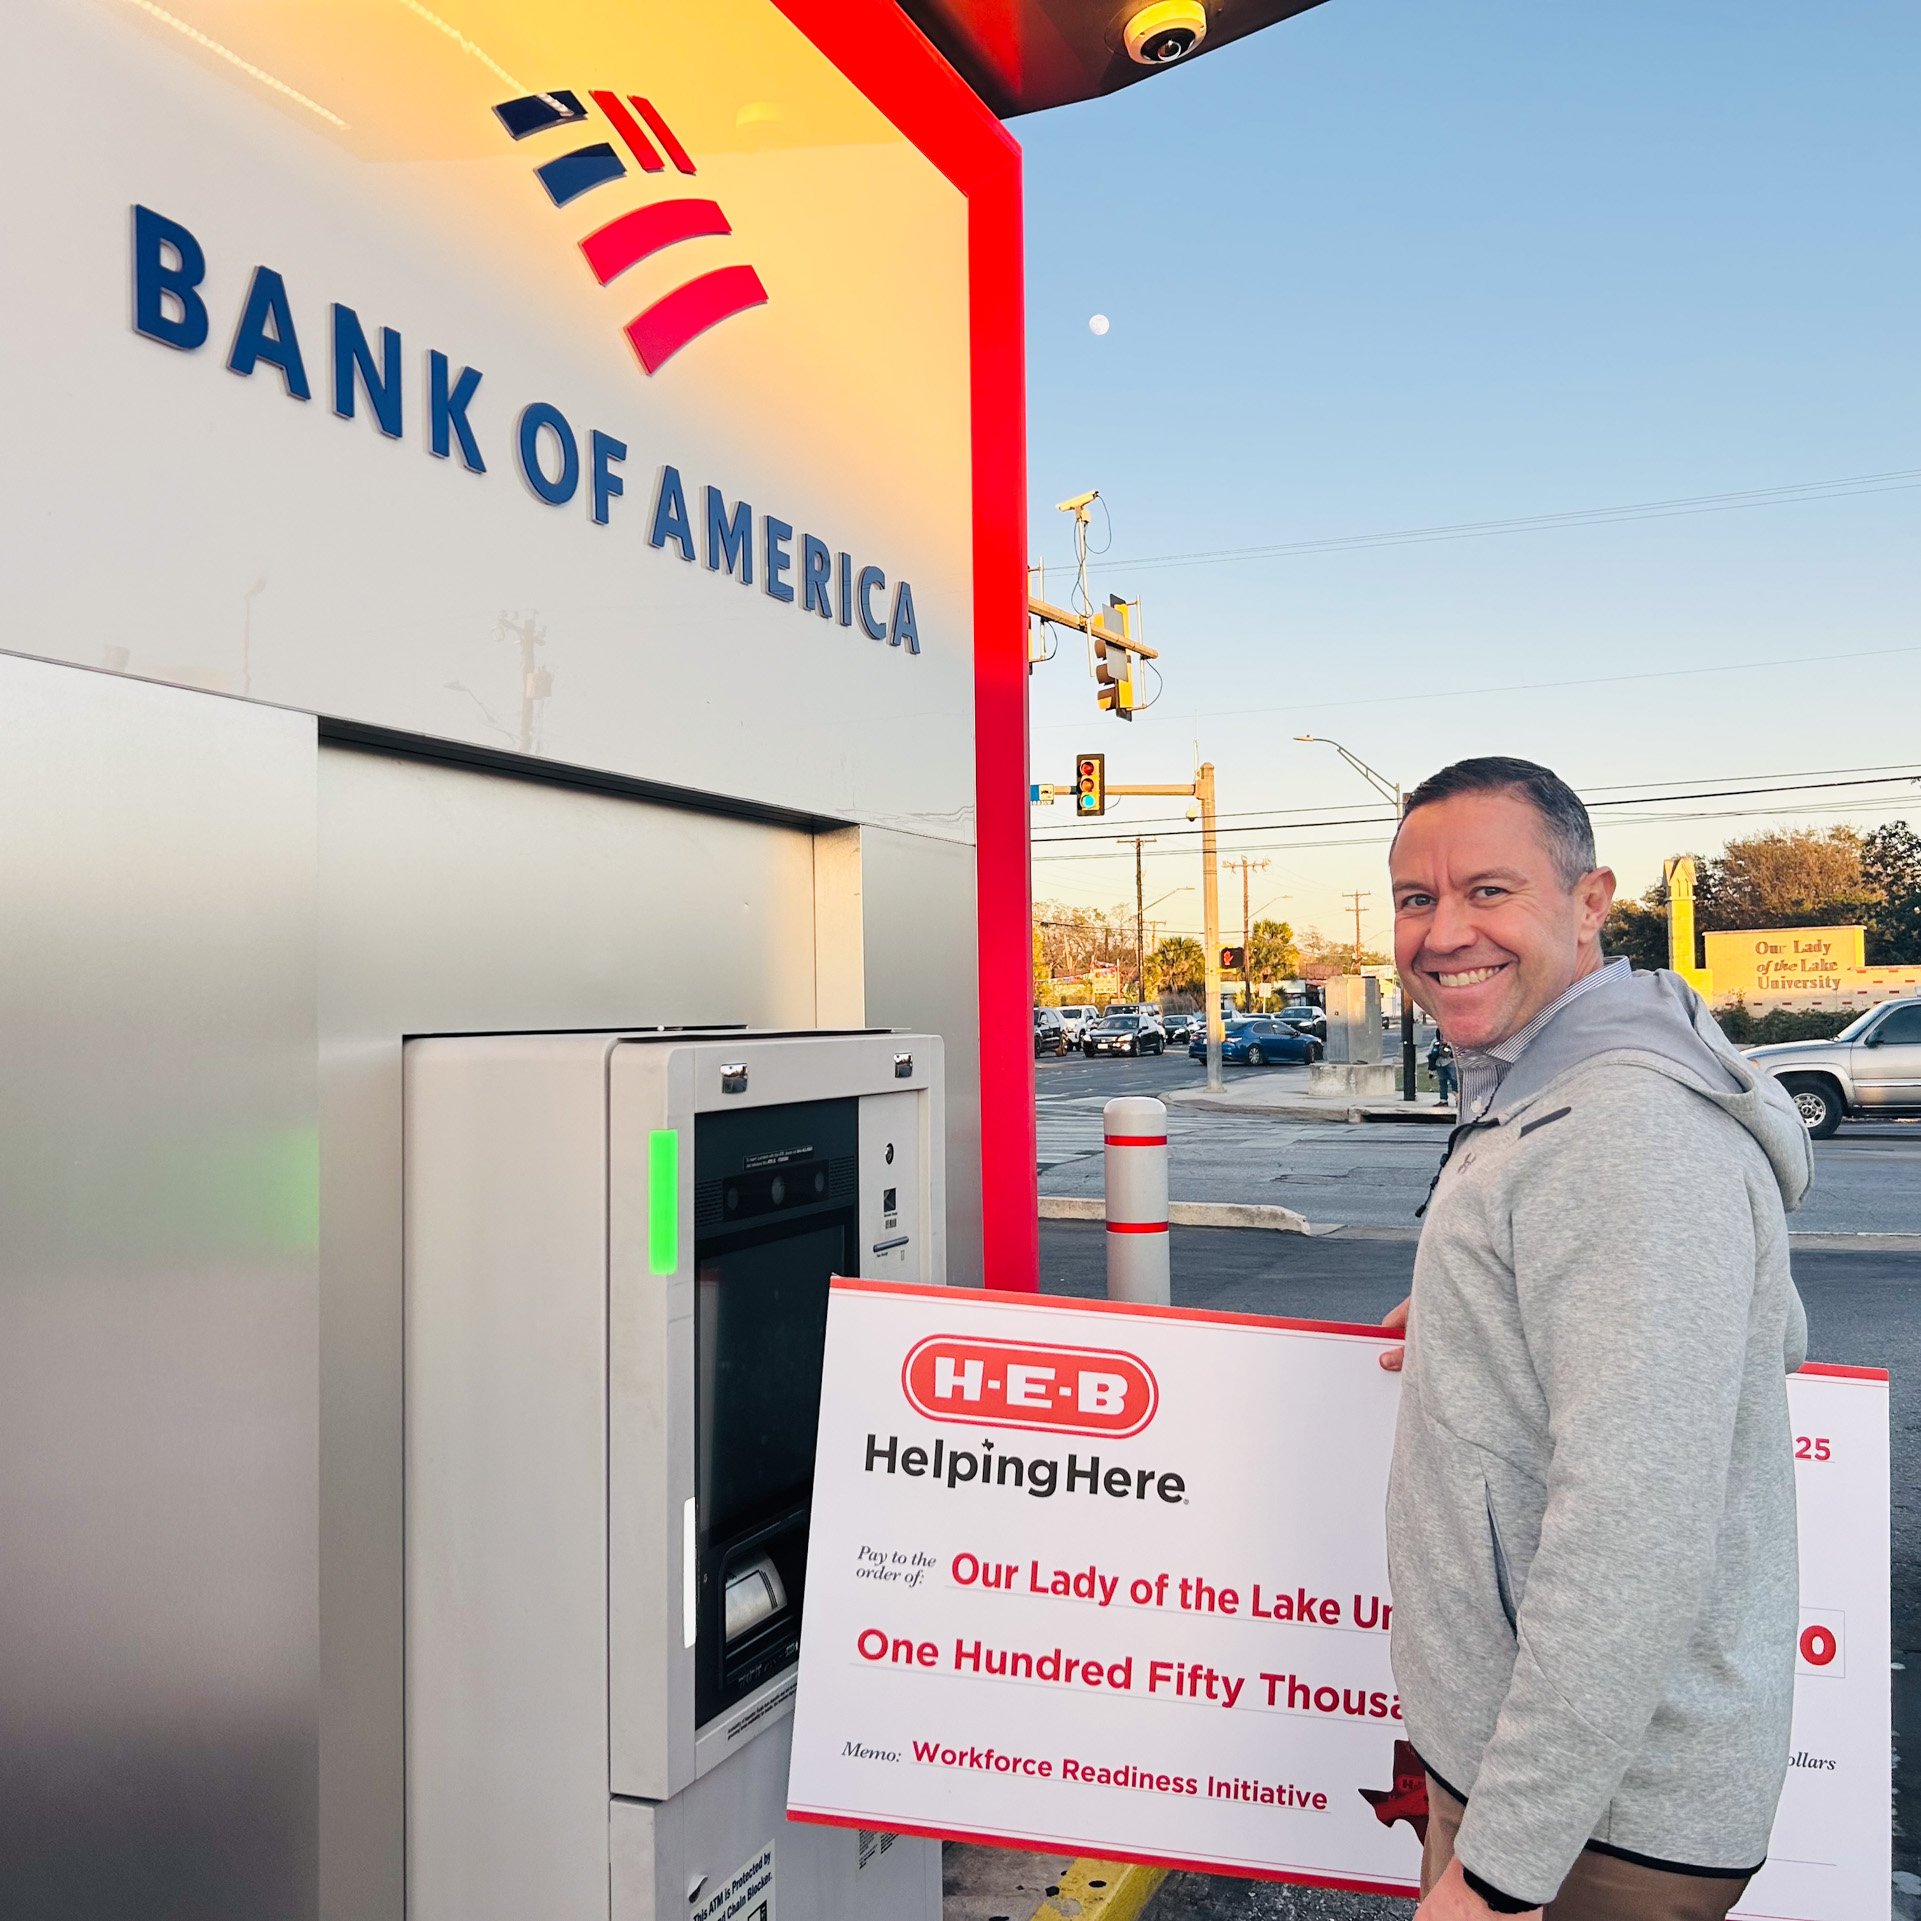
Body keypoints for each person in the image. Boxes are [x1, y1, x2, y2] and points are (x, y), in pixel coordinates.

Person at [1377, 757, 1810, 1921]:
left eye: (1487, 891)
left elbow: (1634, 1531)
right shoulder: (1544, 1085)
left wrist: (1501, 1873)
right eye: (1416, 897)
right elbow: (1707, 1332)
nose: (1442, 930)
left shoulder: (1620, 1129)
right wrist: (1494, 1312)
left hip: (1590, 1826)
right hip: (1550, 1782)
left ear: (1586, 901)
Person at [1426, 1030, 1458, 1106]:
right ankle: (1443, 1100)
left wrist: (1448, 1043)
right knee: (1442, 1081)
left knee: (1454, 1080)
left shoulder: (1452, 1032)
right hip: (1439, 1062)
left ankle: (1458, 1099)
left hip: (1450, 1061)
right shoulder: (1437, 1037)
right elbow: (1431, 1050)